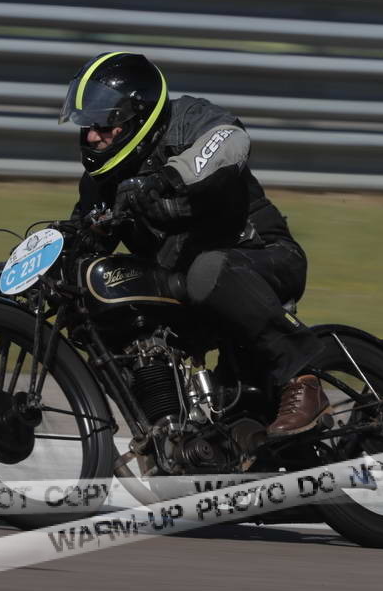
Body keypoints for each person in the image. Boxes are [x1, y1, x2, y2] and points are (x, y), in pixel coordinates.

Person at [59, 51, 330, 439]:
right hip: (185, 292)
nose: (91, 136)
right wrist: (24, 271)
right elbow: (81, 236)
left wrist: (168, 178)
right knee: (99, 307)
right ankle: (166, 432)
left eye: (104, 125)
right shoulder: (100, 183)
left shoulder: (186, 119)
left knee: (206, 270)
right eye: (87, 126)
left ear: (136, 117)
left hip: (262, 258)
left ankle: (303, 379)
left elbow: (231, 139)